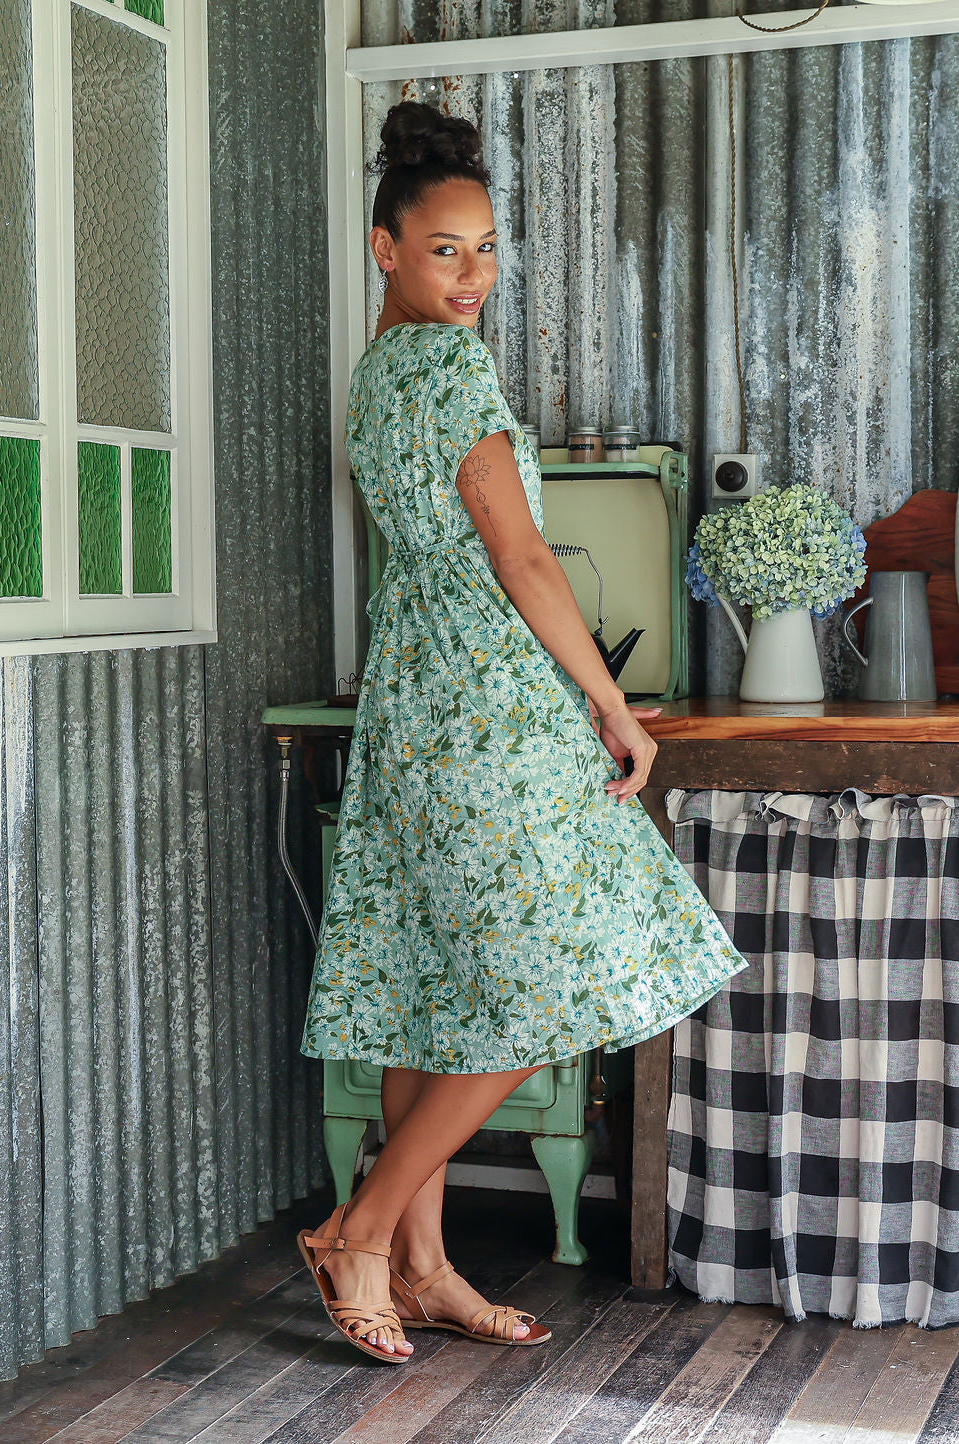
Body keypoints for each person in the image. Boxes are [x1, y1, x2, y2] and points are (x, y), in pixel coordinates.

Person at [297, 100, 748, 1363]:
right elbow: (523, 557)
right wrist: (611, 705)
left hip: (412, 706)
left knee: (421, 982)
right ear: (384, 247)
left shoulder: (376, 372)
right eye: (446, 249)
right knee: (545, 989)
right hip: (487, 710)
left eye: (487, 249)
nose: (472, 273)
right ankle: (364, 1231)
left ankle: (425, 1265)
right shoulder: (447, 369)